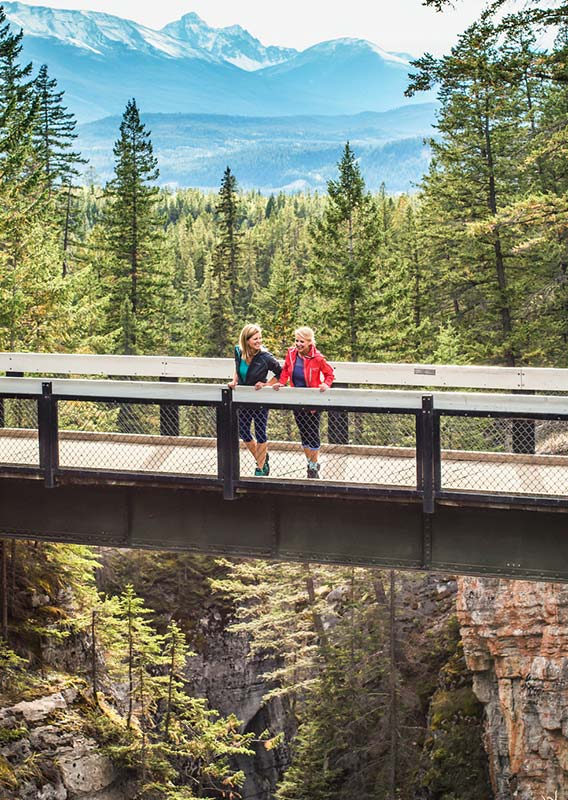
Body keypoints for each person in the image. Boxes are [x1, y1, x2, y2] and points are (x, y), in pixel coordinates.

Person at [273, 326, 334, 478]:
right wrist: (282, 382)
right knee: (303, 433)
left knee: (313, 433)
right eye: (296, 341)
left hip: (312, 400)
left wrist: (325, 385)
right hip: (296, 398)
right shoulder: (291, 353)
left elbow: (329, 374)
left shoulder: (318, 358)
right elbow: (286, 369)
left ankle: (313, 466)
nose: (298, 344)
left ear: (309, 342)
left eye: (302, 342)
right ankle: (310, 462)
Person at [228, 323, 282, 476]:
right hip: (244, 399)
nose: (259, 341)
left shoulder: (265, 357)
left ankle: (260, 467)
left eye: (260, 338)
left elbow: (282, 373)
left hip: (259, 399)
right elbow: (238, 368)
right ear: (246, 340)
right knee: (244, 432)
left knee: (260, 433)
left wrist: (266, 384)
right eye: (255, 339)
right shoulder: (238, 351)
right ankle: (263, 458)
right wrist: (234, 381)